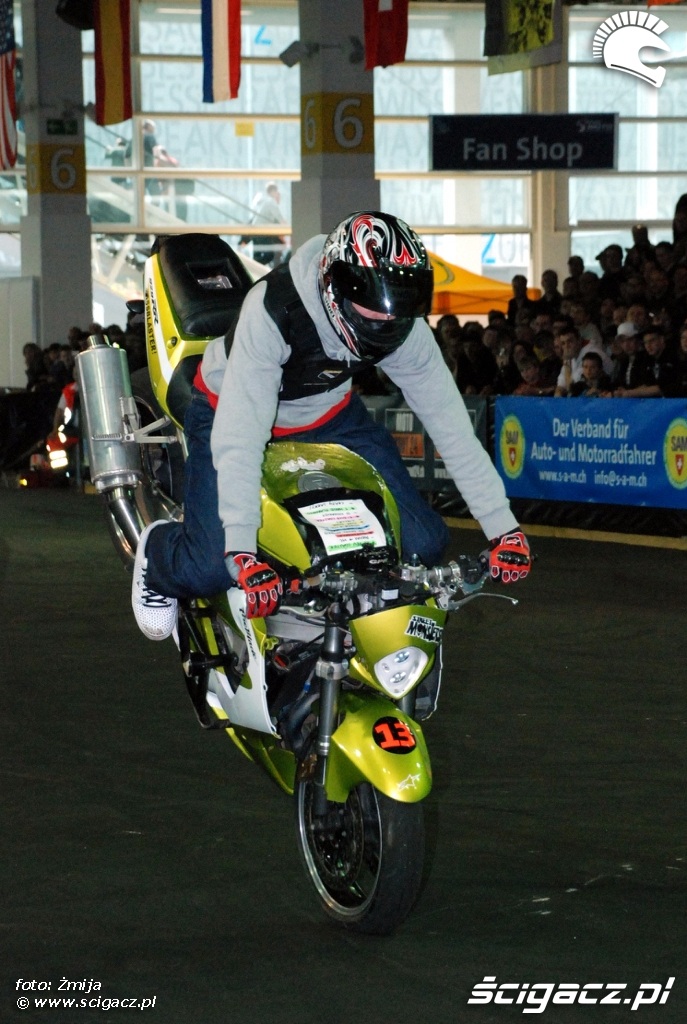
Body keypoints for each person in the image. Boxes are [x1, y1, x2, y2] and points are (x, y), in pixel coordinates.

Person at [131, 211, 531, 640]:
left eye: (399, 305)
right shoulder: (273, 310)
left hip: (329, 416)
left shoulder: (400, 324)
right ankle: (158, 556)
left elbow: (451, 426)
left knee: (423, 543)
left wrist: (503, 528)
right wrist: (241, 551)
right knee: (211, 566)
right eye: (374, 306)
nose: (386, 320)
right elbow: (241, 438)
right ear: (335, 288)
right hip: (226, 409)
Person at [247, 182, 288, 267]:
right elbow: (280, 218)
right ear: (273, 192)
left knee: (257, 256)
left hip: (255, 231)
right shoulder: (271, 202)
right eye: (277, 192)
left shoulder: (264, 201)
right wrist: (290, 229)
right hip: (261, 232)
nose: (278, 194)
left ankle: (254, 268)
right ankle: (254, 267)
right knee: (269, 255)